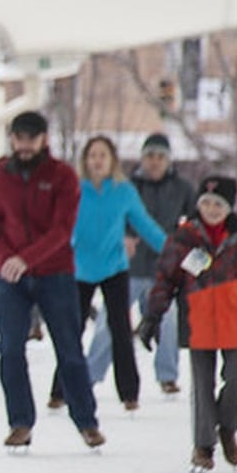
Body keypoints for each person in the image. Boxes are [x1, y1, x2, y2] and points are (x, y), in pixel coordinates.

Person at [0, 111, 105, 450]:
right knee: (9, 349)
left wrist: (26, 259)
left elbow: (61, 230)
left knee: (68, 349)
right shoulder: (0, 174)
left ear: (44, 140)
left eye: (31, 138)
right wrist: (7, 259)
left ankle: (86, 420)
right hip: (12, 276)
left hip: (55, 274)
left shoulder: (62, 175)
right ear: (11, 139)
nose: (24, 145)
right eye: (19, 138)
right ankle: (20, 422)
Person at [138, 176, 237, 471]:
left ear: (229, 207)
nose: (211, 209)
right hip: (197, 321)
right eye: (206, 203)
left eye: (218, 204)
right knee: (202, 385)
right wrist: (153, 317)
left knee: (236, 378)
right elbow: (165, 278)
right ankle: (203, 446)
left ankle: (227, 427)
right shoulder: (185, 238)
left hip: (234, 319)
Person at [49, 135, 166, 411]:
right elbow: (58, 227)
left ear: (112, 160)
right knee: (71, 331)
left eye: (103, 155)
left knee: (120, 328)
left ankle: (129, 393)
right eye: (92, 156)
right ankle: (60, 390)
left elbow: (145, 226)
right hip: (79, 269)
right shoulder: (74, 189)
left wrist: (173, 251)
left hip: (114, 267)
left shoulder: (124, 191)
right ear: (85, 161)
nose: (97, 161)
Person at [100, 133, 196, 393]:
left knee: (168, 321)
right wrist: (121, 237)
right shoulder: (126, 186)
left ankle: (167, 376)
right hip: (126, 268)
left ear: (168, 160)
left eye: (160, 157)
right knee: (109, 322)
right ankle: (88, 376)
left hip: (163, 271)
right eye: (150, 156)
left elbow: (198, 223)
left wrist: (185, 251)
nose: (154, 162)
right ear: (142, 159)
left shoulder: (182, 188)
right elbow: (106, 220)